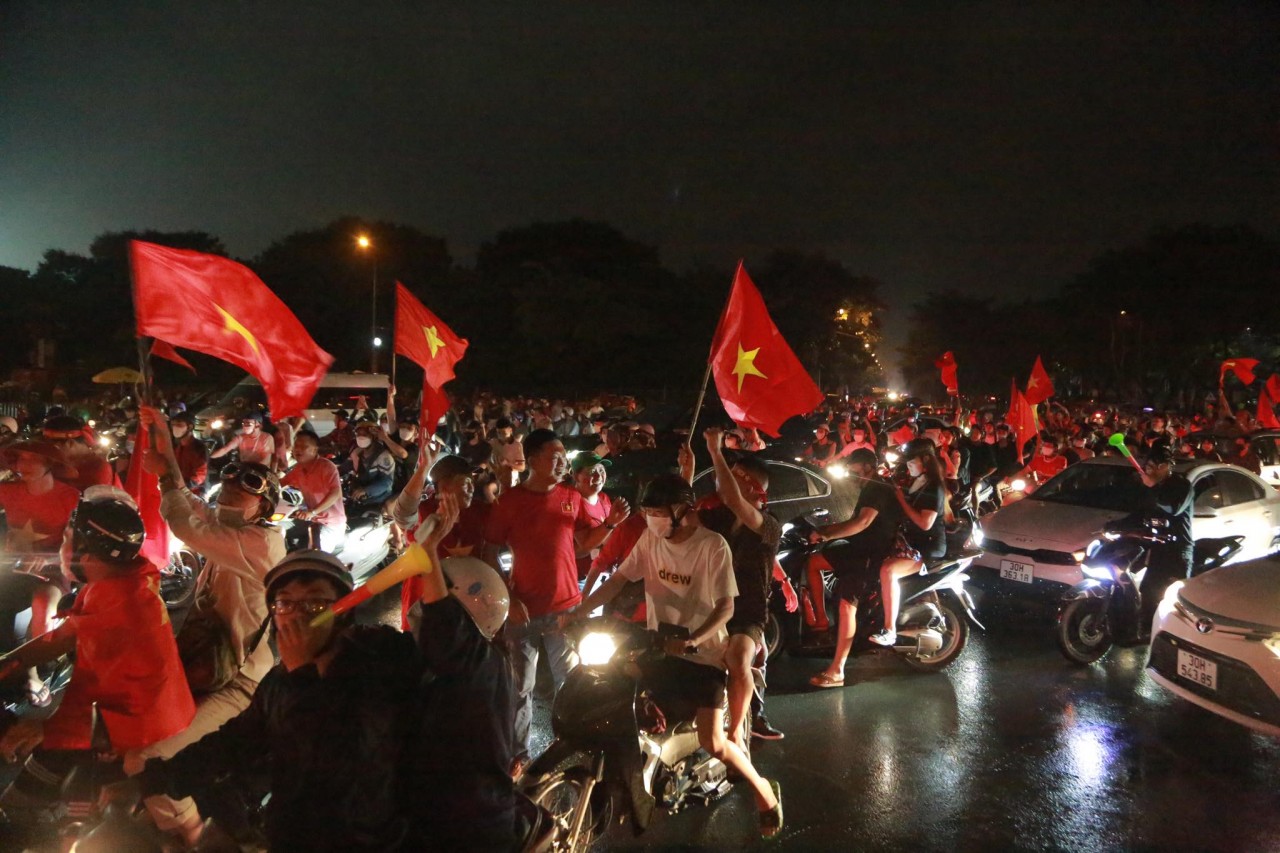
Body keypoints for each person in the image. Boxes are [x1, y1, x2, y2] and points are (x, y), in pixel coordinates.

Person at [131, 550, 422, 852]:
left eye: (316, 602)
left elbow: (335, 770)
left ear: (343, 611)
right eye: (285, 602)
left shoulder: (372, 676)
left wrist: (302, 675)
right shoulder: (281, 680)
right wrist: (161, 776)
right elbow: (239, 738)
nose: (298, 614)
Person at [570, 474, 783, 838]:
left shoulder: (713, 546)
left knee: (713, 742)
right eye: (647, 511)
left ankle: (765, 793)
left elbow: (726, 608)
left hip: (703, 656)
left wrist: (694, 639)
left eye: (657, 511)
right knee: (612, 688)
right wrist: (580, 610)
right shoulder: (650, 540)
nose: (651, 518)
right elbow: (619, 580)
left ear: (682, 511)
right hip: (659, 645)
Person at [139, 405, 287, 844]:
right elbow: (192, 505)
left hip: (237, 681)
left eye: (242, 494)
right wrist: (163, 440)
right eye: (225, 491)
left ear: (263, 505)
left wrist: (167, 475)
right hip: (207, 663)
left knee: (151, 761)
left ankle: (191, 833)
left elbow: (185, 521)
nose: (228, 499)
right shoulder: (230, 530)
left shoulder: (260, 542)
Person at [0, 496, 195, 815]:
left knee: (36, 805)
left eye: (65, 538)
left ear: (87, 552)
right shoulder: (120, 583)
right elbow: (58, 639)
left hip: (142, 735)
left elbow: (125, 699)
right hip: (126, 718)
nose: (59, 547)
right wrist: (8, 664)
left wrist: (44, 729)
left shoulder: (122, 608)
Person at [482, 429, 629, 773]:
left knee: (573, 679)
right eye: (556, 455)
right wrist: (509, 596)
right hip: (524, 611)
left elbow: (579, 544)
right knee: (522, 687)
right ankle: (518, 753)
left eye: (564, 455)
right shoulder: (509, 501)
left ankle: (574, 740)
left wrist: (610, 524)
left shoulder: (570, 495)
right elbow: (489, 551)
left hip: (567, 607)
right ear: (532, 460)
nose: (563, 461)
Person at [807, 448, 903, 686]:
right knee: (813, 562)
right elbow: (853, 522)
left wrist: (827, 534)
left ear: (868, 467)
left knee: (846, 604)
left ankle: (837, 670)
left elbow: (862, 522)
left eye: (855, 470)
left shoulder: (878, 488)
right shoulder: (868, 488)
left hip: (869, 554)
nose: (852, 475)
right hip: (856, 548)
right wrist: (825, 530)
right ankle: (821, 621)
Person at [0, 441, 82, 701]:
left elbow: (77, 541)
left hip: (54, 567)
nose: (23, 465)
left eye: (31, 459)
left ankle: (33, 676)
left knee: (42, 603)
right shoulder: (8, 490)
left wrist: (48, 558)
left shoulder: (69, 496)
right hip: (13, 564)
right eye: (19, 459)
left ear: (49, 464)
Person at [393, 452, 489, 630]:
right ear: (444, 486)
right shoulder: (425, 512)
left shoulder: (479, 511)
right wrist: (422, 470)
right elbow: (402, 515)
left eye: (472, 482)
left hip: (467, 612)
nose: (471, 488)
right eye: (465, 482)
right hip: (424, 611)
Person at [869, 444, 948, 647]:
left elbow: (925, 523)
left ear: (925, 462)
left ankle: (889, 630)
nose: (909, 466)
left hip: (926, 547)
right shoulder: (918, 483)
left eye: (913, 462)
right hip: (909, 541)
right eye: (908, 462)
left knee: (888, 571)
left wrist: (902, 500)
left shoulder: (933, 487)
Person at [1136, 444, 1194, 634]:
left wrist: (1152, 487)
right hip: (1158, 547)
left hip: (1178, 551)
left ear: (1165, 466)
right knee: (1148, 591)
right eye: (1147, 467)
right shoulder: (1152, 487)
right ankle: (1148, 633)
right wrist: (1113, 526)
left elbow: (1172, 507)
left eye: (1152, 467)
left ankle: (1178, 636)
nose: (1149, 471)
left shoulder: (1182, 486)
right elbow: (1141, 513)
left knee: (1174, 598)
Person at [282, 429, 347, 552]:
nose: (298, 449)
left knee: (315, 558)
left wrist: (312, 512)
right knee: (278, 529)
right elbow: (280, 483)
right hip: (311, 519)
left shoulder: (327, 467)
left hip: (330, 523)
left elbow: (335, 493)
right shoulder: (299, 469)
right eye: (296, 446)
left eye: (304, 446)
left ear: (315, 449)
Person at [42, 414, 117, 492]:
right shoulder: (55, 463)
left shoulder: (98, 468)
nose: (49, 452)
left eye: (53, 448)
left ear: (70, 443)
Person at [570, 452, 613, 580]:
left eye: (601, 470)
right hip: (579, 577)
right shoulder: (571, 503)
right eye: (591, 471)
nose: (598, 476)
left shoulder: (604, 499)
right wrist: (611, 523)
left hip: (603, 574)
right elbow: (584, 547)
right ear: (576, 476)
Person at [349, 421, 396, 508]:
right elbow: (349, 467)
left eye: (365, 434)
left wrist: (366, 490)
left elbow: (387, 482)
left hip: (379, 497)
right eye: (359, 434)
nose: (361, 437)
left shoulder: (384, 456)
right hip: (360, 493)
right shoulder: (357, 453)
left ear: (374, 437)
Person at [168, 411, 209, 492]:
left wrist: (186, 485)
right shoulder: (177, 446)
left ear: (190, 427)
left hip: (195, 492)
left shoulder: (198, 447)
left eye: (179, 425)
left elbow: (200, 474)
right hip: (179, 489)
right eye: (173, 425)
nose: (175, 428)